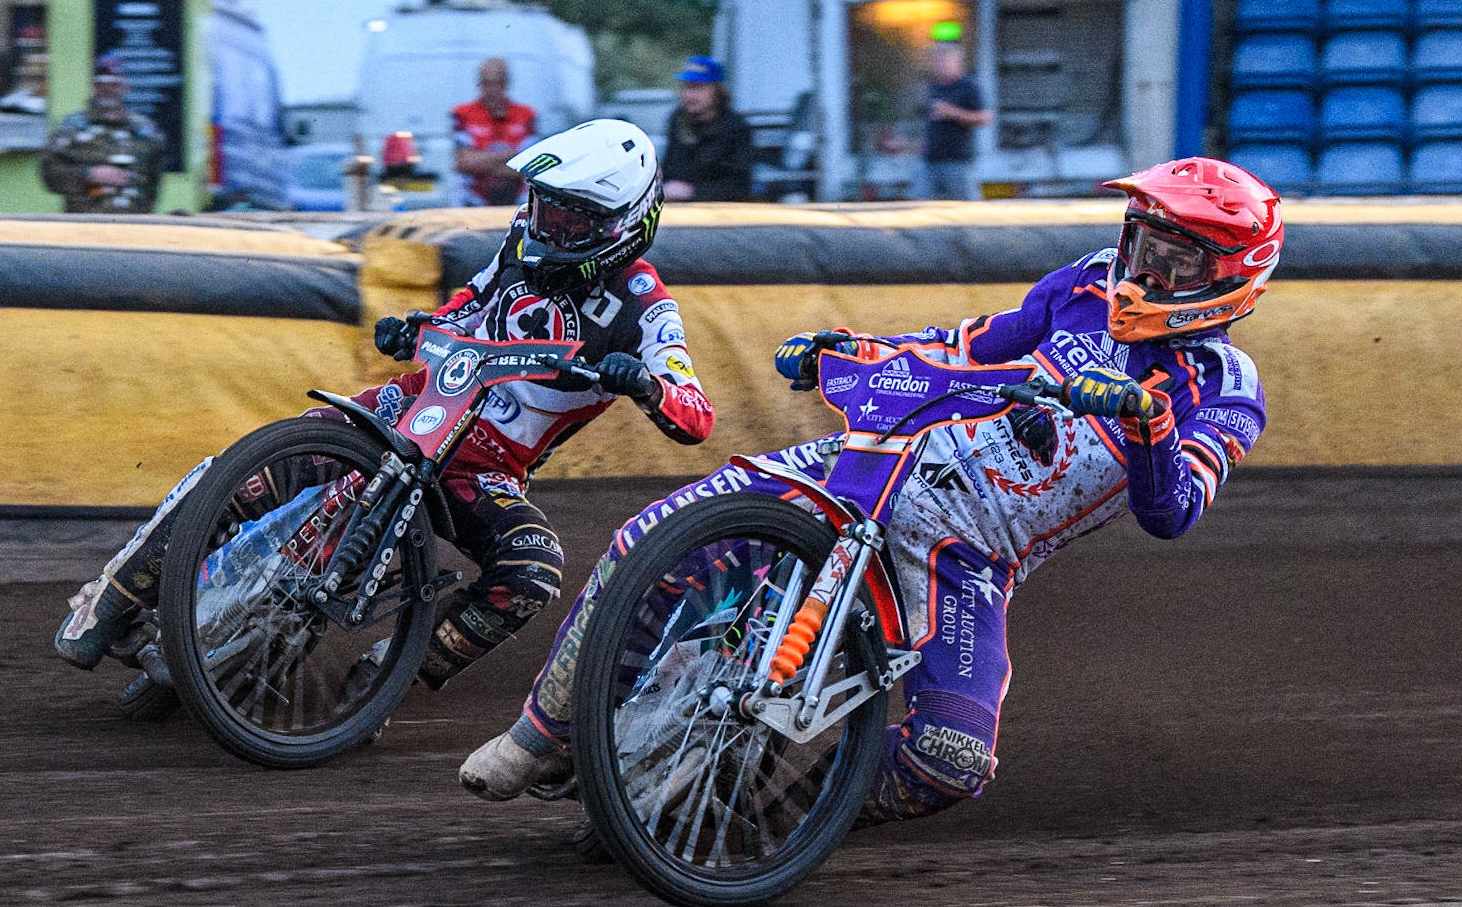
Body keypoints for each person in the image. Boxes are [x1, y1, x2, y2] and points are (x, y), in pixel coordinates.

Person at [460, 157, 1279, 831]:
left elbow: (1169, 512)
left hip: (968, 556)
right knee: (657, 532)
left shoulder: (1225, 390)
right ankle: (541, 736)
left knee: (949, 765)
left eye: (1175, 261)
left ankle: (757, 822)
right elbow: (966, 342)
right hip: (888, 457)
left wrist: (1148, 425)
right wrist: (853, 347)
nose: (1144, 268)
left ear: (1228, 279)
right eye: (1141, 242)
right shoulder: (1084, 284)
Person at [54, 120, 715, 704]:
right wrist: (420, 325)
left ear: (621, 224)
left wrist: (649, 387)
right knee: (251, 469)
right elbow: (470, 301)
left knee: (533, 571)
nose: (546, 226)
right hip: (413, 407)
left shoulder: (643, 305)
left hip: (485, 469)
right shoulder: (520, 243)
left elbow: (696, 411)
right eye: (543, 208)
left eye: (568, 220)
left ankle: (390, 674)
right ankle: (113, 598)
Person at [39, 56, 164, 214]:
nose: (107, 89)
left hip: (133, 224)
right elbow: (49, 174)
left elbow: (154, 180)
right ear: (94, 87)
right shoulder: (72, 128)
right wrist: (89, 174)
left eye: (114, 83)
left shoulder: (144, 130)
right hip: (86, 224)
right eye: (101, 83)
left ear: (125, 86)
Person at [661, 56, 753, 202]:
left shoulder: (736, 127)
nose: (689, 95)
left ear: (716, 91)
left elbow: (739, 186)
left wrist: (692, 192)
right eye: (686, 87)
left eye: (698, 88)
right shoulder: (678, 120)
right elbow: (670, 168)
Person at [452, 57, 537, 207]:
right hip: (475, 201)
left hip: (517, 200)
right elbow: (463, 163)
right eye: (486, 83)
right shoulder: (463, 113)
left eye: (496, 83)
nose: (491, 90)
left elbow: (529, 167)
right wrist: (511, 155)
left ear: (506, 84)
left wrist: (482, 160)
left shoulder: (526, 115)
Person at [915, 41, 991, 202]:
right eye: (936, 60)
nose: (939, 64)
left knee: (966, 208)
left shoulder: (968, 87)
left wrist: (952, 113)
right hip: (929, 161)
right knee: (917, 205)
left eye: (943, 59)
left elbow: (985, 118)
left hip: (956, 162)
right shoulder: (933, 87)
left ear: (956, 61)